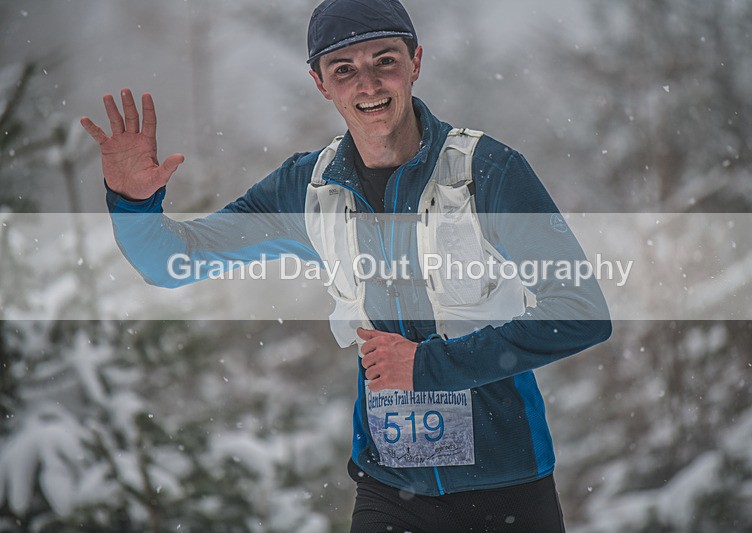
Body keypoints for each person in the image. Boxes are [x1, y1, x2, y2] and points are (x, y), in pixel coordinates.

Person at [81, 0, 611, 530]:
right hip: (390, 487)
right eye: (344, 70)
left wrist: (428, 366)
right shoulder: (305, 189)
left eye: (385, 61)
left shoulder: (488, 171)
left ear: (415, 62)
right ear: (320, 83)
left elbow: (580, 311)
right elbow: (173, 262)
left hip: (507, 485)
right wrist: (134, 204)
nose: (368, 84)